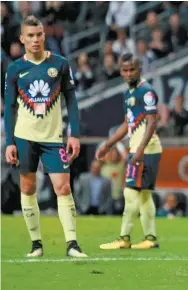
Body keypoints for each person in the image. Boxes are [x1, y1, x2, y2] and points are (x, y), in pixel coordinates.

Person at [3, 16, 86, 258]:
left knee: (63, 186)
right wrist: (10, 142)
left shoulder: (60, 64)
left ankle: (72, 243)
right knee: (28, 187)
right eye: (30, 35)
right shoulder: (15, 68)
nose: (36, 39)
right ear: (22, 39)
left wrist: (75, 134)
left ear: (44, 35)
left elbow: (71, 99)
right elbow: (10, 107)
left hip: (53, 138)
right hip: (25, 137)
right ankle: (36, 244)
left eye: (39, 34)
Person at [96, 53, 163, 250]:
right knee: (144, 196)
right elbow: (127, 124)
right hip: (143, 148)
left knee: (130, 192)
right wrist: (108, 144)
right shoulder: (128, 94)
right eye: (124, 70)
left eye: (131, 69)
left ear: (139, 69)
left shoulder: (146, 91)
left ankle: (124, 238)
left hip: (146, 149)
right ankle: (150, 239)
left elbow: (152, 121)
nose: (128, 73)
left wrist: (140, 149)